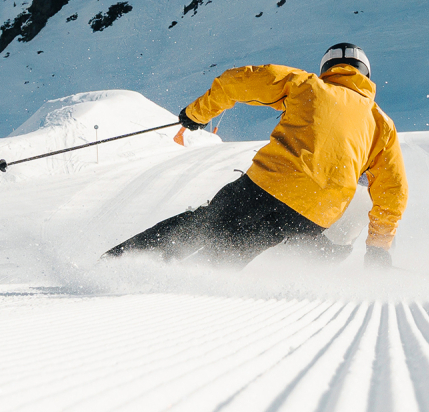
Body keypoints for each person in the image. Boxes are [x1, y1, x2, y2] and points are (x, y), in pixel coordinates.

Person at [105, 43, 408, 269]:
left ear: (327, 69)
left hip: (272, 184)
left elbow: (236, 82)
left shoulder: (307, 84)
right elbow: (393, 192)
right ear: (366, 74)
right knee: (238, 247)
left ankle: (116, 265)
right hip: (316, 214)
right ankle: (195, 282)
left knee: (205, 224)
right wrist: (378, 248)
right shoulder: (382, 125)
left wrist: (197, 114)